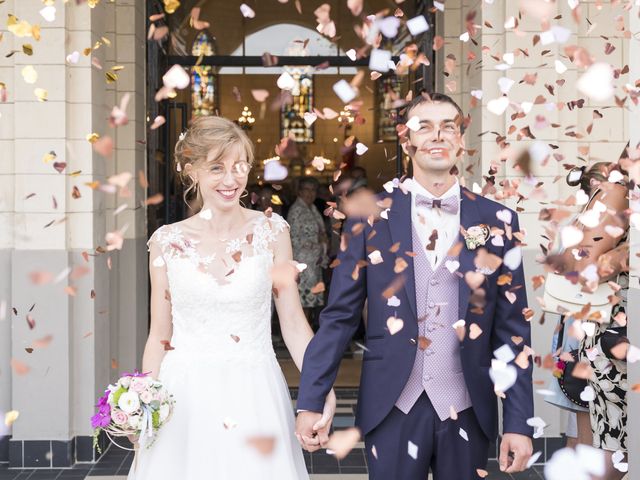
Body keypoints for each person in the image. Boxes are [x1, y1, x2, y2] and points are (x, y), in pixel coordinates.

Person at [296, 92, 534, 478]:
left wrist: (520, 422)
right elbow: (339, 316)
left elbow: (512, 330)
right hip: (391, 405)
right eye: (424, 127)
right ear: (406, 142)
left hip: (467, 406)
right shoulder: (366, 216)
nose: (437, 136)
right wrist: (310, 399)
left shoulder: (499, 221)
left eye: (448, 127)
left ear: (461, 141)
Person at [128, 116, 335, 479]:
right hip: (183, 394)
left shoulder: (273, 232)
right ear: (191, 170)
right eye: (217, 168)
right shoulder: (166, 241)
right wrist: (141, 401)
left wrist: (321, 387)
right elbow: (159, 334)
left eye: (239, 166)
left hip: (253, 390)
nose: (230, 179)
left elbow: (293, 324)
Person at [550, 160, 630, 480]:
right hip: (602, 334)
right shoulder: (606, 205)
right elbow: (575, 268)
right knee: (598, 440)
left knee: (598, 440)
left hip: (598, 332)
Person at [287, 176, 329, 330]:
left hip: (313, 264)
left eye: (313, 190)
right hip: (303, 264)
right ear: (299, 191)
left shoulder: (312, 208)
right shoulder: (296, 210)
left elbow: (320, 232)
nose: (310, 193)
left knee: (310, 304)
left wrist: (322, 241)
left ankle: (308, 333)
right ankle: (303, 337)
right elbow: (294, 239)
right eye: (306, 190)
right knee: (303, 303)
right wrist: (317, 241)